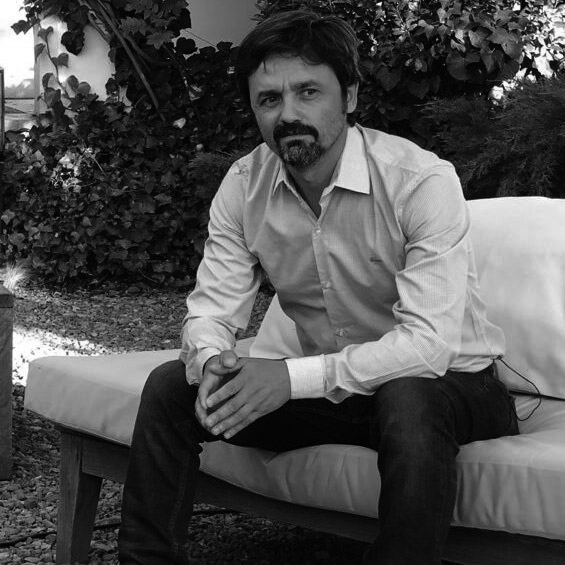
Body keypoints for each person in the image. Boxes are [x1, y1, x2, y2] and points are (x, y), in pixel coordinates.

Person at [118, 10, 518, 565]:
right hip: (338, 394)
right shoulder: (244, 186)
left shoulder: (419, 181)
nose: (288, 115)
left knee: (407, 395)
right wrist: (212, 362)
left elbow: (428, 347)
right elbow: (212, 310)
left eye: (308, 92)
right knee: (171, 386)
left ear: (349, 96)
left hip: (454, 386)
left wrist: (289, 377)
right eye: (269, 99)